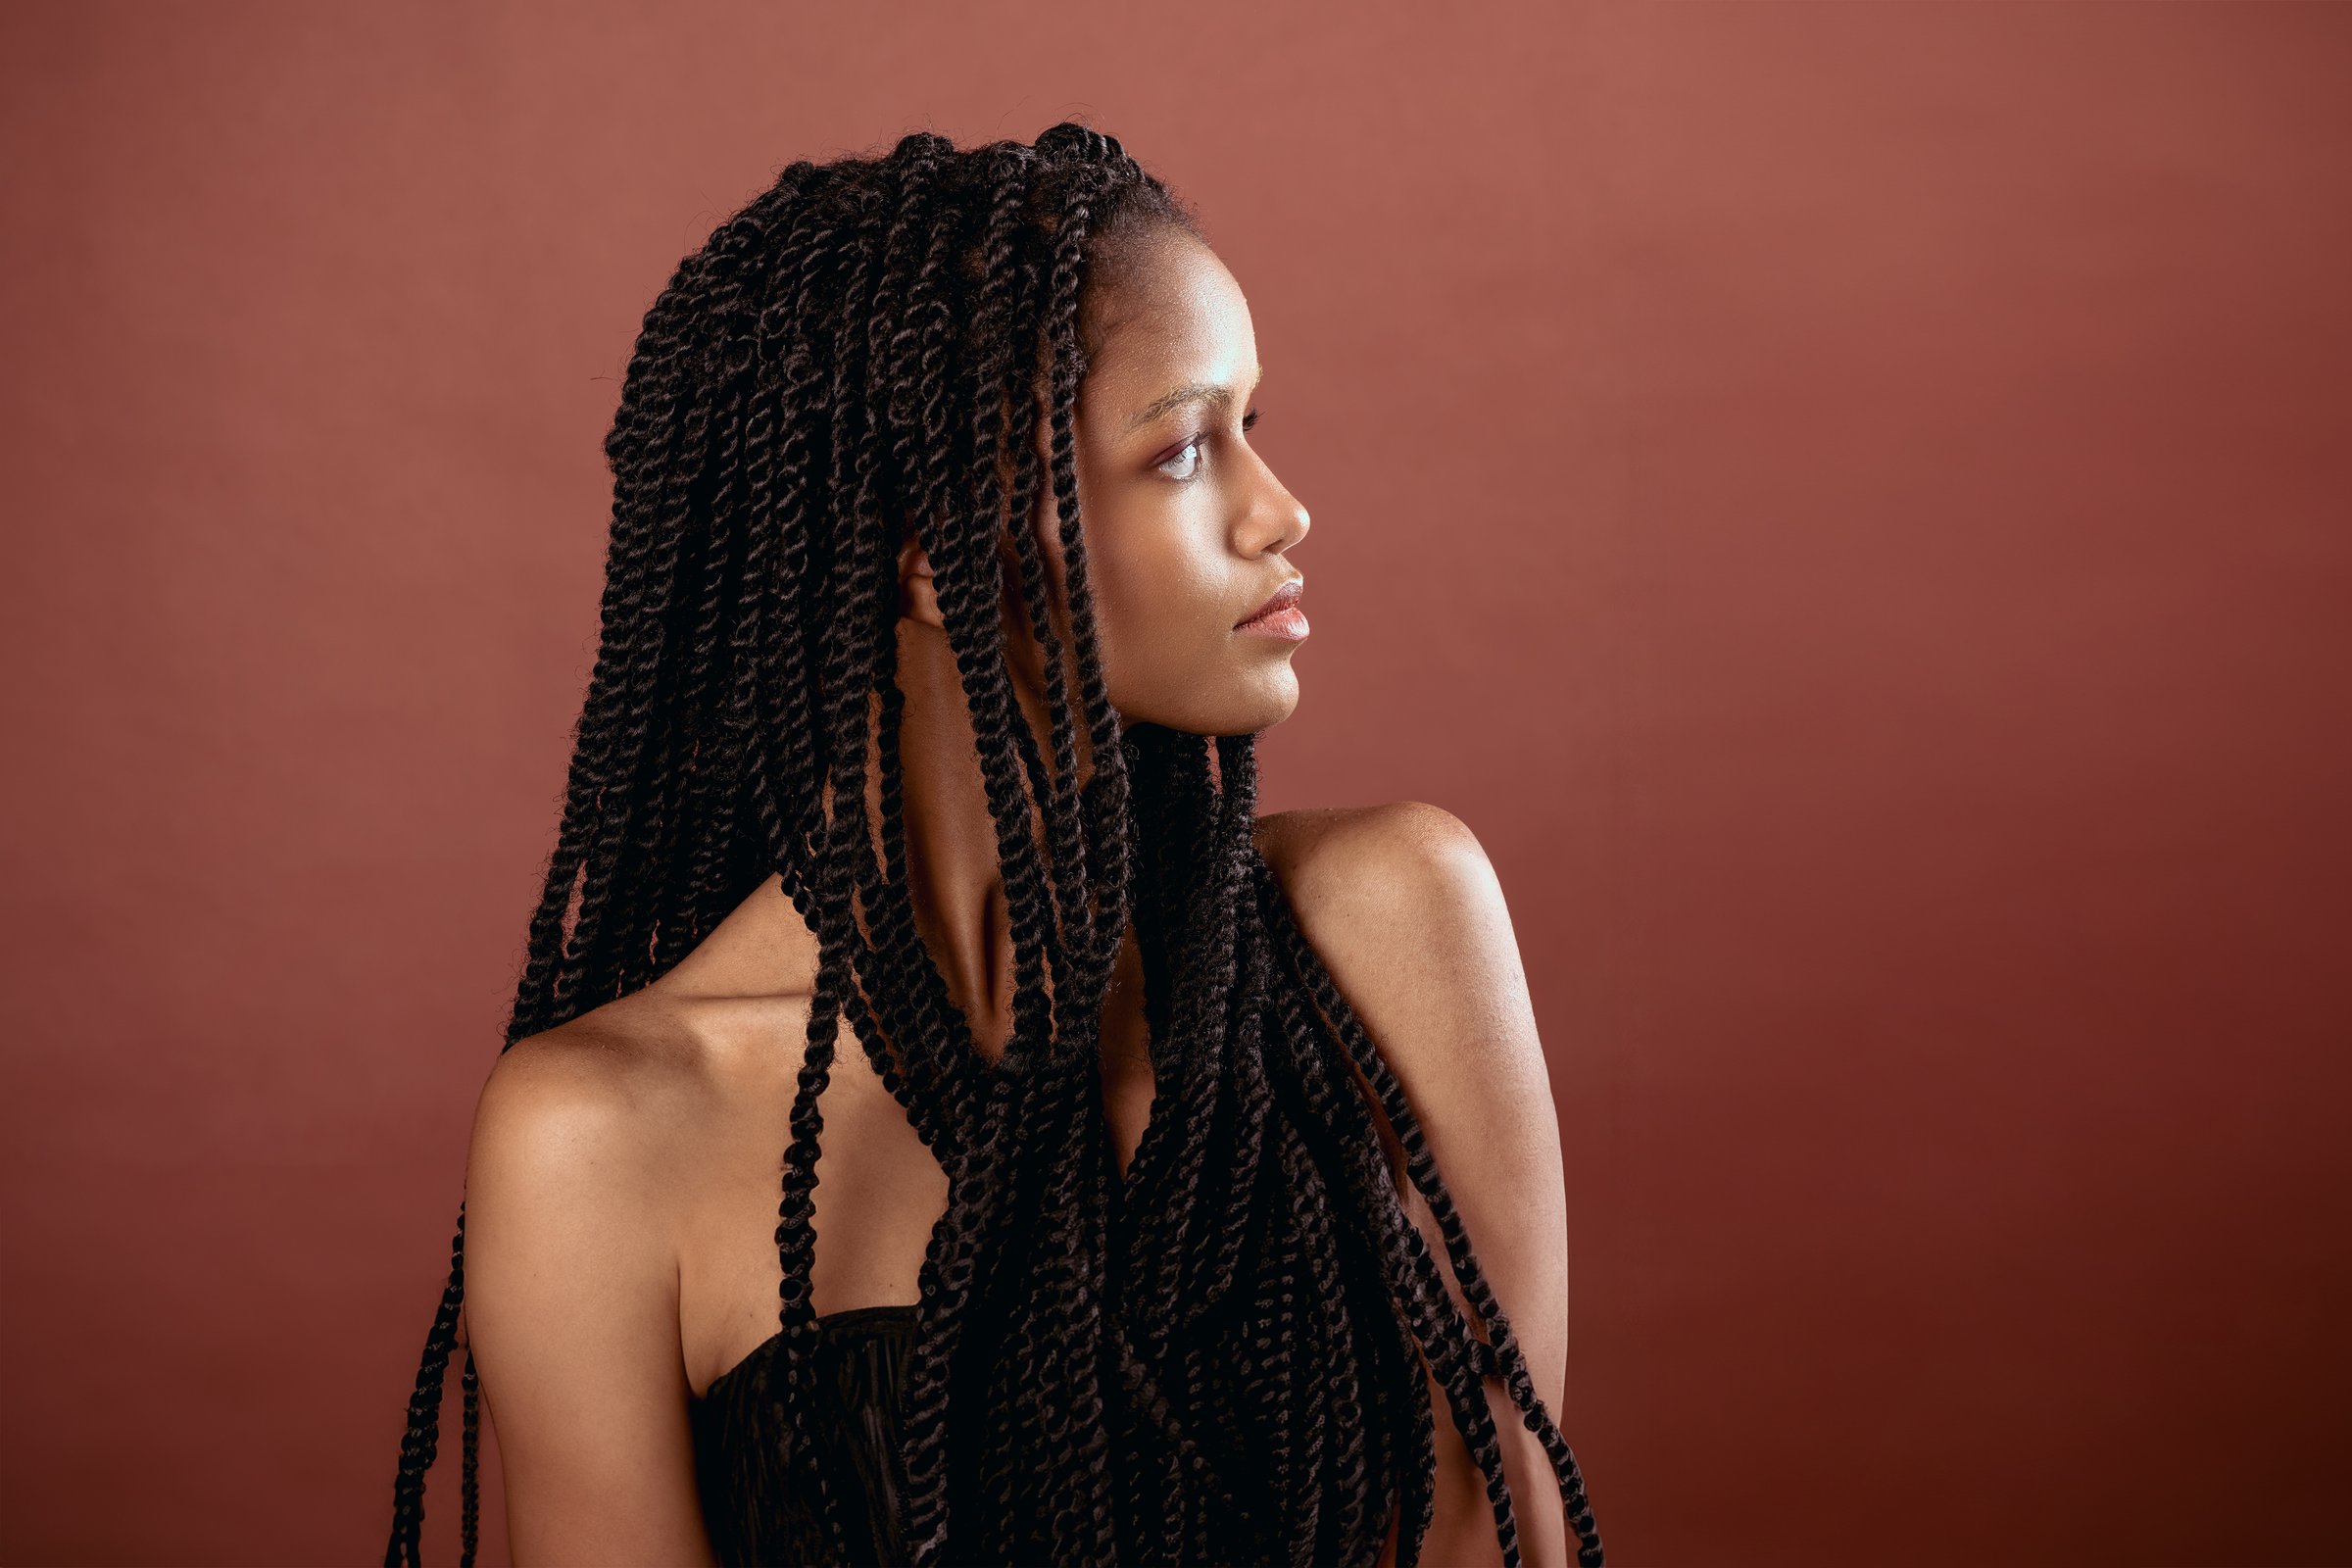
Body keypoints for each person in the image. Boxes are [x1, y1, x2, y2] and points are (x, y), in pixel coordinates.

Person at [382, 122, 1605, 1568]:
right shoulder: (600, 1139)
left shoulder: (1390, 927)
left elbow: (1502, 1537)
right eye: (1184, 449)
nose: (1280, 513)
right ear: (926, 539)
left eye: (1251, 430)